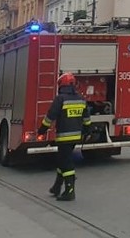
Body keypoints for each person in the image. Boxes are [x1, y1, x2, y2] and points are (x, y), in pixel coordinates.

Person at [38, 72, 91, 201]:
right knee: (62, 160)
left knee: (66, 163)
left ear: (61, 85)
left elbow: (50, 116)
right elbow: (86, 119)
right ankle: (56, 187)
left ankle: (69, 191)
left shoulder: (60, 98)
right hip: (76, 137)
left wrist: (42, 130)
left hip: (63, 137)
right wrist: (87, 132)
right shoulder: (80, 98)